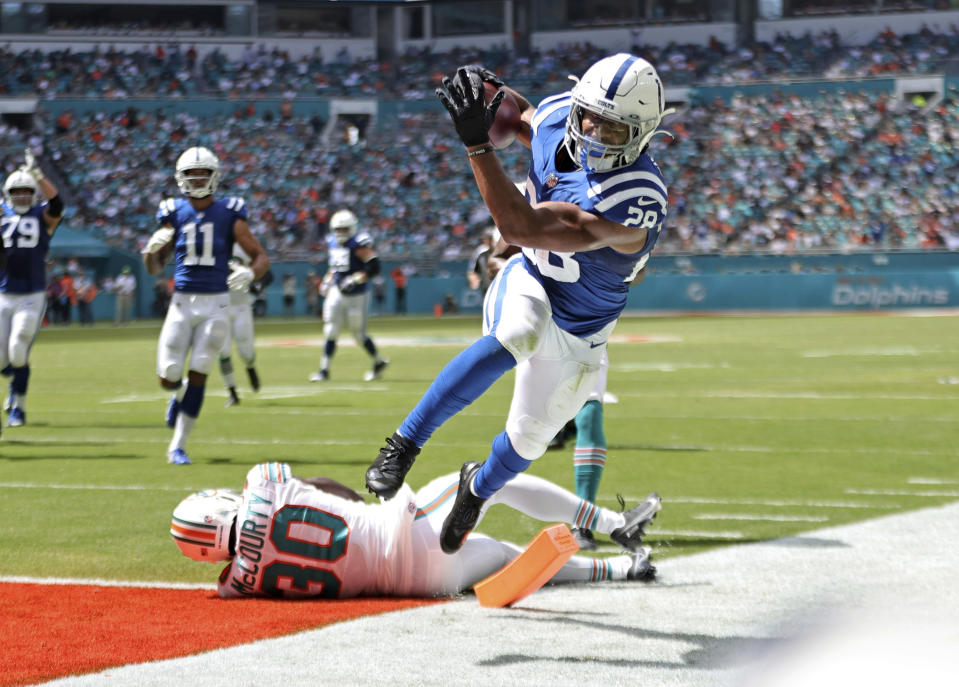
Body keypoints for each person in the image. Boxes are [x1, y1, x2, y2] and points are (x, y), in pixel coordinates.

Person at [365, 54, 671, 554]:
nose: (593, 132)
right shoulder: (557, 117)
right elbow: (523, 114)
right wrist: (488, 93)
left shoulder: (638, 197)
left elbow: (521, 226)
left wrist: (476, 143)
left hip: (582, 331)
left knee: (529, 439)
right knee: (518, 332)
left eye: (614, 129)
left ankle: (476, 490)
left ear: (642, 135)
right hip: (529, 279)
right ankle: (403, 443)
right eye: (589, 115)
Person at [170, 461, 657, 599]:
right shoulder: (261, 483)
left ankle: (619, 571)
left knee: (509, 557)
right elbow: (321, 486)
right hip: (409, 533)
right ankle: (613, 526)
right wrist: (361, 505)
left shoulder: (237, 584)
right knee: (490, 478)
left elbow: (235, 576)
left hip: (422, 585)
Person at [142, 146, 269, 465]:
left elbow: (261, 256)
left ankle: (178, 446)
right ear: (180, 178)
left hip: (217, 305)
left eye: (203, 173)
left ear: (215, 177)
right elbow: (154, 269)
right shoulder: (173, 212)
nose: (197, 179)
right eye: (191, 174)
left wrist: (249, 273)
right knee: (169, 374)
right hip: (182, 303)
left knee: (200, 369)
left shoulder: (229, 212)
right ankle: (177, 392)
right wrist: (149, 251)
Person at [0, 148, 64, 428]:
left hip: (32, 293)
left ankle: (19, 408)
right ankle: (15, 383)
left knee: (18, 348)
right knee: (4, 359)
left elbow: (58, 203)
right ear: (8, 194)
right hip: (3, 293)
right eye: (18, 192)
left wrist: (37, 174)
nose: (23, 196)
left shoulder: (42, 216)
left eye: (28, 191)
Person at [309, 209, 388, 382]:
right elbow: (335, 266)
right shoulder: (332, 242)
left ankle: (378, 361)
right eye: (338, 229)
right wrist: (327, 280)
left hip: (357, 294)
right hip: (338, 290)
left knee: (358, 334)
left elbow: (374, 267)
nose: (340, 233)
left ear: (352, 228)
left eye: (344, 229)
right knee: (330, 330)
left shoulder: (358, 243)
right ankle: (324, 370)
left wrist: (357, 278)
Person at [219, 243, 272, 407]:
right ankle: (232, 392)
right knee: (223, 351)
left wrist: (258, 284)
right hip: (219, 307)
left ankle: (250, 367)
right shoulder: (212, 244)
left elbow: (268, 274)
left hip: (242, 305)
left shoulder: (245, 247)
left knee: (246, 351)